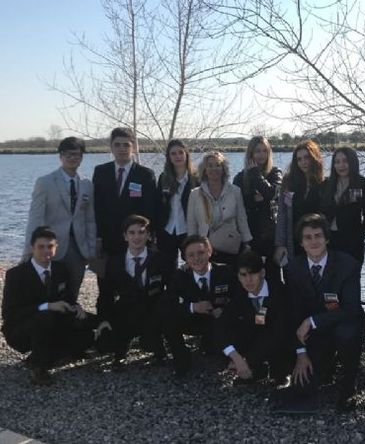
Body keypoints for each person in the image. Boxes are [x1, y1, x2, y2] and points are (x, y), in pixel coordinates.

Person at [277, 213, 365, 412]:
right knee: (302, 386)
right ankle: (325, 367)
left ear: (327, 239)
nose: (313, 241)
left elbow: (351, 308)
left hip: (343, 325)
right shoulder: (292, 269)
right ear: (301, 243)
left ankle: (349, 385)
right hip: (315, 333)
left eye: (318, 236)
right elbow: (293, 313)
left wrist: (312, 320)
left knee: (346, 333)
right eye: (308, 237)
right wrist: (301, 353)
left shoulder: (348, 265)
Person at [95, 215, 191, 376]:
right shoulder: (114, 262)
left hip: (152, 312)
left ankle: (158, 347)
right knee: (104, 343)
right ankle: (120, 352)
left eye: (141, 232)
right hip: (126, 311)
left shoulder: (161, 259)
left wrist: (165, 312)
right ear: (125, 236)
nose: (137, 237)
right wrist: (103, 319)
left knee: (149, 343)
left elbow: (172, 290)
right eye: (132, 233)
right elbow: (105, 294)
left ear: (149, 235)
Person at [1, 226, 97, 385]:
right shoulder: (16, 274)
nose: (46, 251)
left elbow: (67, 297)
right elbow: (9, 313)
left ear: (56, 247)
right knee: (44, 317)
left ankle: (50, 354)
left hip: (54, 322)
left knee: (89, 332)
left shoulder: (60, 269)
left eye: (50, 246)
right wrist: (46, 306)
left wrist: (77, 307)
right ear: (32, 248)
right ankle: (39, 368)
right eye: (41, 247)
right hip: (22, 327)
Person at [93, 127, 157, 318]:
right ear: (111, 147)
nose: (122, 149)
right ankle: (105, 324)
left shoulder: (145, 174)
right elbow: (97, 208)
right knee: (106, 286)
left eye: (126, 145)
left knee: (136, 286)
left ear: (134, 147)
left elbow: (150, 210)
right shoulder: (101, 172)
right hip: (108, 241)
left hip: (136, 241)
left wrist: (147, 237)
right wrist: (98, 237)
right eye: (117, 145)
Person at [23, 136, 96, 299]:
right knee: (50, 293)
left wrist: (91, 249)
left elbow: (90, 220)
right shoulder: (45, 182)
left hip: (78, 249)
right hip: (51, 249)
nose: (72, 158)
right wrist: (29, 250)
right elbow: (35, 218)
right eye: (68, 154)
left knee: (73, 292)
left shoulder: (87, 184)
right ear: (60, 156)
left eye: (76, 154)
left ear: (81, 157)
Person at [215, 250, 292, 384]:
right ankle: (255, 371)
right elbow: (221, 325)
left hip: (279, 342)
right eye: (243, 275)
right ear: (238, 277)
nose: (248, 280)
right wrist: (235, 356)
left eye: (252, 274)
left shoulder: (279, 292)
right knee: (230, 332)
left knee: (279, 342)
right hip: (255, 337)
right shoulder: (240, 293)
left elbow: (280, 332)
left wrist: (248, 361)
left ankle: (278, 372)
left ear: (262, 273)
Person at [168, 235, 237, 354]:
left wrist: (225, 310)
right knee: (168, 319)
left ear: (209, 252)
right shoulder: (180, 276)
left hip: (220, 319)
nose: (196, 258)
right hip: (194, 319)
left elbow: (239, 298)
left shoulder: (226, 272)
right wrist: (193, 307)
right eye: (191, 255)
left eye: (201, 253)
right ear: (185, 258)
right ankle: (181, 358)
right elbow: (169, 303)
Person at [187, 151, 252, 266]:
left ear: (223, 169)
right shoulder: (195, 194)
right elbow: (192, 225)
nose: (214, 169)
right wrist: (191, 250)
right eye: (210, 166)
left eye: (218, 165)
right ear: (204, 170)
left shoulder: (235, 191)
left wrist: (247, 244)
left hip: (230, 246)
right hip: (205, 250)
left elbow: (242, 219)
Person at [233, 136, 283, 281]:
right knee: (250, 276)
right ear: (250, 154)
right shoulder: (240, 178)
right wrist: (258, 198)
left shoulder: (275, 173)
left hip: (269, 236)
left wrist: (255, 173)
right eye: (257, 151)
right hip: (249, 236)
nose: (261, 155)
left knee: (273, 277)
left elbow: (271, 193)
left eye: (264, 151)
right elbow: (239, 205)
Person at [274, 140, 325, 268]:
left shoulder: (324, 184)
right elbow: (282, 215)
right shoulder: (289, 183)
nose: (303, 162)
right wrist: (280, 245)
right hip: (294, 243)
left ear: (314, 158)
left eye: (306, 157)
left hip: (316, 243)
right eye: (299, 159)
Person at [320, 147, 365, 264]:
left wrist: (359, 237)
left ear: (353, 162)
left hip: (353, 243)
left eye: (345, 161)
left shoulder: (363, 184)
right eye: (337, 162)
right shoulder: (326, 185)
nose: (341, 165)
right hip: (329, 241)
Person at [154, 139, 198, 277]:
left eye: (180, 152)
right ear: (169, 157)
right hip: (167, 231)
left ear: (186, 154)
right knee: (168, 270)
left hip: (188, 231)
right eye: (173, 153)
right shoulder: (164, 178)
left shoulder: (196, 178)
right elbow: (158, 206)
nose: (177, 156)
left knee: (192, 268)